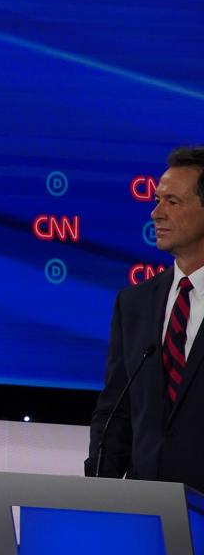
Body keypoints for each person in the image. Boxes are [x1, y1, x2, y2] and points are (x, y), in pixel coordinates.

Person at [87, 147, 204, 491]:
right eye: (156, 200)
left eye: (173, 201)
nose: (155, 213)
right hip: (149, 515)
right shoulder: (134, 304)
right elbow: (115, 414)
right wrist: (97, 496)